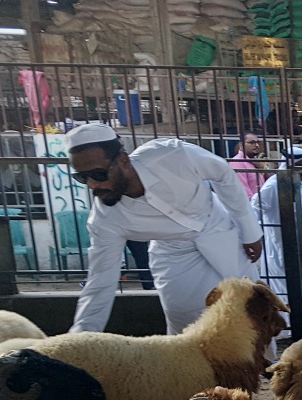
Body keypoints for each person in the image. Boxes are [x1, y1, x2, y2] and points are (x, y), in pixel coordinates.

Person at [63, 123, 263, 335]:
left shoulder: (172, 154)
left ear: (123, 160)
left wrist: (249, 231)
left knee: (252, 310)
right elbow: (100, 281)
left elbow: (223, 173)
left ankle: (264, 368)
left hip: (220, 231)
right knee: (186, 327)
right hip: (174, 255)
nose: (92, 185)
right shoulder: (104, 220)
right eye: (82, 177)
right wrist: (79, 339)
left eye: (99, 174)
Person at [251, 146, 302, 331]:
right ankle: (290, 329)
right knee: (284, 290)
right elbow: (254, 210)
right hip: (281, 248)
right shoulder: (273, 185)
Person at [228, 131, 268, 200]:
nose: (257, 145)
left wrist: (263, 168)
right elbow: (243, 191)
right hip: (251, 206)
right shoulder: (238, 162)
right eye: (252, 143)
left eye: (257, 142)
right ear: (241, 145)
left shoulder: (253, 162)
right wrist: (254, 205)